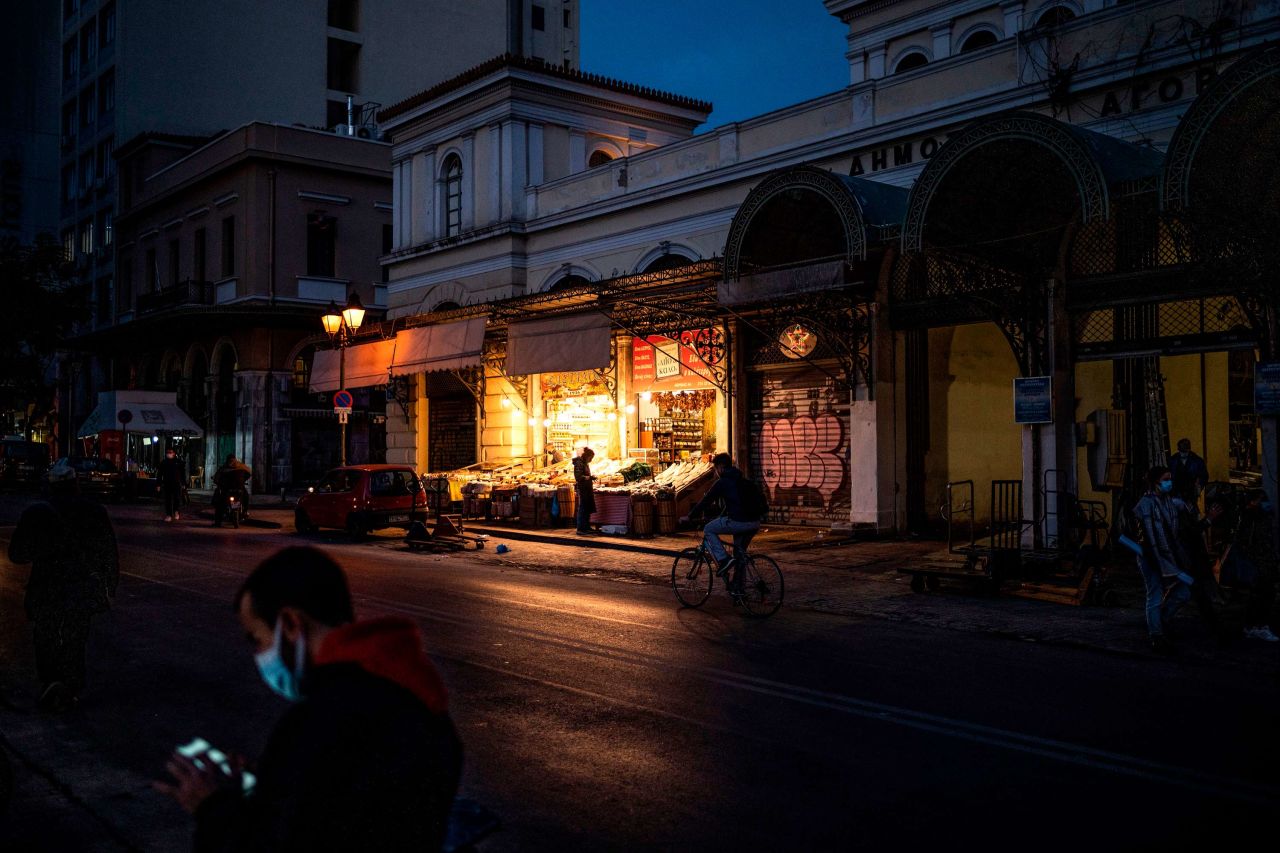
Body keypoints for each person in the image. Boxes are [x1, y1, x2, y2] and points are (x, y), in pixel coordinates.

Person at [155, 546, 463, 851]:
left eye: (258, 640)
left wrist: (213, 806)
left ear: (289, 624)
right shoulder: (421, 697)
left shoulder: (318, 723)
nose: (259, 655)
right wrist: (275, 782)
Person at [7, 466, 119, 712]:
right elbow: (108, 552)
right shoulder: (94, 510)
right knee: (75, 636)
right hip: (81, 585)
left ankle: (51, 679)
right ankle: (71, 684)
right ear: (75, 482)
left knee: (45, 633)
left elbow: (17, 554)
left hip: (47, 584)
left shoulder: (37, 511)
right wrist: (110, 586)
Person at [1132, 466, 1195, 654]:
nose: (1169, 482)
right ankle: (1156, 634)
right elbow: (1145, 535)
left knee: (1183, 592)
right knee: (1155, 595)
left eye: (1170, 479)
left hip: (1168, 557)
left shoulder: (1168, 502)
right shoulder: (1145, 504)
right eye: (1166, 479)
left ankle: (1161, 622)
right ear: (1155, 482)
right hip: (1150, 557)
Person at [679, 453, 762, 595]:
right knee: (739, 555)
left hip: (739, 521)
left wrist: (690, 516)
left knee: (709, 529)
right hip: (754, 522)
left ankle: (723, 560)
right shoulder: (740, 478)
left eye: (716, 468)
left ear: (721, 467)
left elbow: (706, 501)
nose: (716, 472)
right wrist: (720, 516)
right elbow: (732, 504)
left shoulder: (723, 482)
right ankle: (738, 590)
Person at [212, 454, 251, 527]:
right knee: (245, 496)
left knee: (220, 503)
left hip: (228, 489)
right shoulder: (241, 466)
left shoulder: (224, 467)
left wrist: (218, 482)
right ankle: (245, 511)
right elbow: (248, 473)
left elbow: (216, 478)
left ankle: (218, 522)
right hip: (239, 488)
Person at [1169, 438, 1209, 505]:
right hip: (1176, 490)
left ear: (1189, 449)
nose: (1182, 453)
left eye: (1184, 451)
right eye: (1181, 450)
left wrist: (1199, 485)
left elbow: (1204, 476)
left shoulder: (1197, 461)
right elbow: (1170, 474)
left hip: (1191, 491)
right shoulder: (1173, 460)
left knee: (1190, 509)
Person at [573, 446, 597, 535]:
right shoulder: (579, 463)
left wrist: (590, 478)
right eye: (591, 458)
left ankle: (586, 526)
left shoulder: (585, 463)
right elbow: (578, 477)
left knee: (587, 508)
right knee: (583, 508)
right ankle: (581, 528)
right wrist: (589, 477)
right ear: (587, 456)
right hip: (583, 489)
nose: (591, 460)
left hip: (587, 488)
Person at [158, 447, 185, 522]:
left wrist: (183, 484)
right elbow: (159, 474)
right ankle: (169, 515)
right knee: (168, 500)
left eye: (170, 452)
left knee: (177, 499)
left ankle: (176, 511)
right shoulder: (164, 462)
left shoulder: (178, 462)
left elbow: (182, 474)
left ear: (174, 453)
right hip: (167, 483)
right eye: (167, 452)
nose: (168, 454)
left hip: (176, 483)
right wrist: (158, 484)